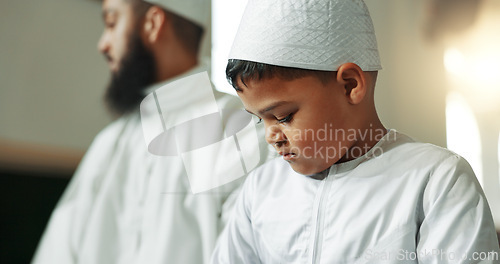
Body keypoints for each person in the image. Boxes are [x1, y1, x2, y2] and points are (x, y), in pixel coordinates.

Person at [211, 0, 500, 263]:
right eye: (261, 120)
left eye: (284, 116)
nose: (271, 137)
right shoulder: (261, 190)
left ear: (350, 85)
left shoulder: (435, 181)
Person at [32, 0, 269, 263]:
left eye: (112, 23)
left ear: (152, 24)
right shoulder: (109, 144)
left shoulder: (242, 130)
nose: (103, 44)